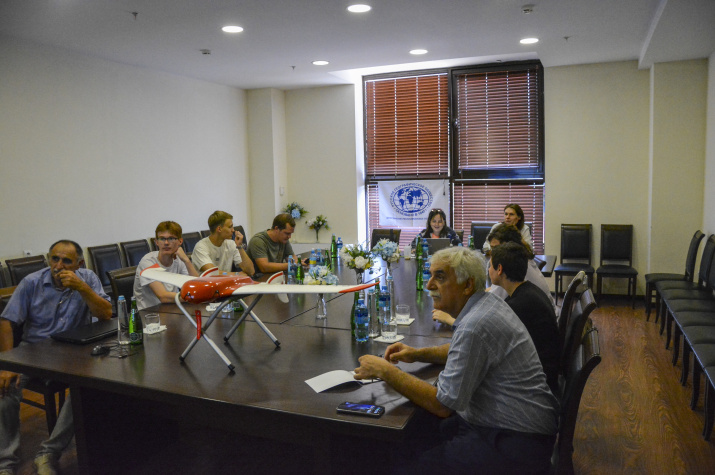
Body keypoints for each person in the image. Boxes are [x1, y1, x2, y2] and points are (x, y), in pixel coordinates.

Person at [355, 247, 558, 474]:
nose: (429, 285)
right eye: (430, 275)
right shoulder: (486, 304)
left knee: (406, 463)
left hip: (514, 441)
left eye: (440, 277)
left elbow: (442, 405)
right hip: (515, 427)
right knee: (416, 434)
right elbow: (460, 349)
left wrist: (385, 371)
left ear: (468, 285)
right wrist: (417, 354)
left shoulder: (474, 326)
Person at [0, 240, 112, 475]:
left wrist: (82, 288)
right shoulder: (32, 282)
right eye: (54, 259)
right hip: (32, 352)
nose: (59, 266)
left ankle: (48, 453)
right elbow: (6, 322)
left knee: (87, 387)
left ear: (79, 264)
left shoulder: (88, 279)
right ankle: (6, 463)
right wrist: (7, 364)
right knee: (5, 391)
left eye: (66, 261)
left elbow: (105, 314)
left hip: (72, 352)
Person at [489, 242, 560, 394]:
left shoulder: (518, 305)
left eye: (490, 266)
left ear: (499, 269)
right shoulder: (528, 291)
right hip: (545, 372)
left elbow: (490, 342)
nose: (488, 270)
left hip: (537, 384)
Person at [134, 221, 200, 311]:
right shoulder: (148, 262)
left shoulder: (179, 260)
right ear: (156, 242)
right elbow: (163, 296)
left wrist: (187, 261)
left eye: (171, 238)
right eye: (162, 239)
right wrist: (194, 297)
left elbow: (197, 287)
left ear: (180, 241)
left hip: (172, 309)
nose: (166, 243)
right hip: (150, 313)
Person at [191, 211, 255, 276]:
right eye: (230, 227)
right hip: (206, 282)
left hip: (227, 281)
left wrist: (239, 247)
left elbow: (251, 271)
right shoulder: (201, 247)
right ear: (219, 229)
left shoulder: (231, 244)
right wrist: (237, 274)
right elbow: (213, 273)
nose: (233, 230)